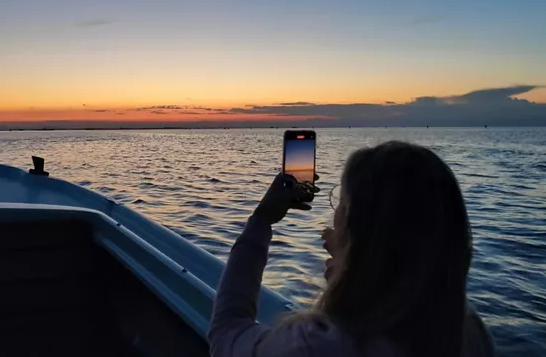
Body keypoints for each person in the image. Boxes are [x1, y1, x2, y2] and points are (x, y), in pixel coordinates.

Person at [208, 141, 496, 356]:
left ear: (360, 235)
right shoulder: (470, 332)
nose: (334, 218)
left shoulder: (316, 344)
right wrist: (348, 270)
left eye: (341, 205)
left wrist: (261, 219)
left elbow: (226, 334)